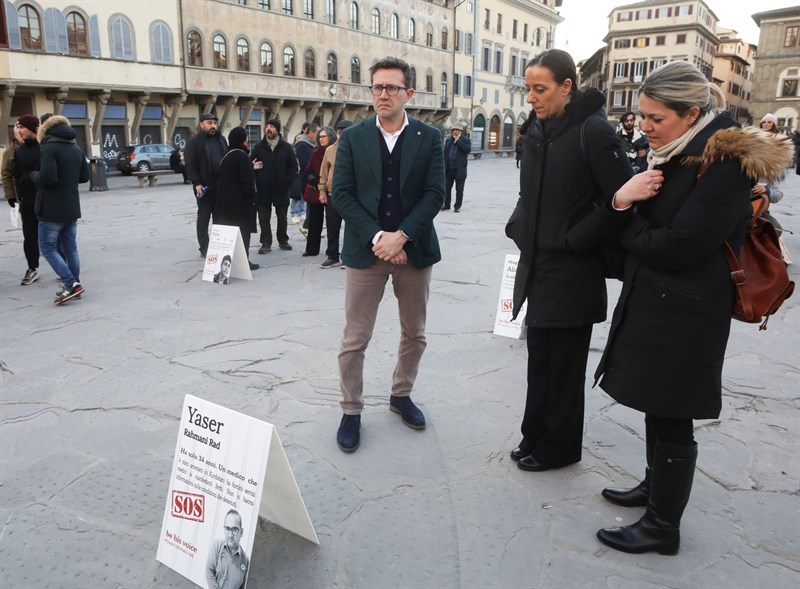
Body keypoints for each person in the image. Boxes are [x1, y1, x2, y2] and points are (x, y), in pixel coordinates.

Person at [594, 61, 793, 556]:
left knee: (674, 412)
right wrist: (631, 201)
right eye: (642, 115)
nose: (644, 126)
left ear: (691, 114)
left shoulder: (724, 164)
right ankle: (653, 487)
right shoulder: (679, 149)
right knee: (656, 403)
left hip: (688, 310)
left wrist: (625, 216)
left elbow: (680, 244)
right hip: (661, 300)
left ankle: (663, 526)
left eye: (655, 118)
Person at [504, 49, 633, 472]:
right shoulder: (538, 129)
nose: (531, 97)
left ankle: (559, 447)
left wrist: (573, 238)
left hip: (574, 269)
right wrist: (518, 225)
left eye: (539, 89)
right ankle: (534, 434)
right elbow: (528, 193)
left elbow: (622, 200)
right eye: (528, 89)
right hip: (537, 264)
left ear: (566, 86)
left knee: (564, 366)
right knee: (540, 357)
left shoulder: (594, 131)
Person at [331, 56, 445, 453]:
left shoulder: (429, 137)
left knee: (415, 332)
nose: (383, 94)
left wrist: (403, 237)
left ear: (408, 93)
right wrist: (381, 237)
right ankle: (351, 410)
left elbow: (435, 193)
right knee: (354, 338)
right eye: (377, 87)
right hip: (366, 251)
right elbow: (342, 194)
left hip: (415, 251)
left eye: (391, 87)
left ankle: (401, 394)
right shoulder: (354, 137)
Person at [31, 115, 90, 304]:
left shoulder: (49, 148)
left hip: (51, 208)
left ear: (45, 130)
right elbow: (84, 177)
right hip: (71, 206)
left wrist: (34, 175)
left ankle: (71, 284)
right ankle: (74, 284)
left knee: (47, 248)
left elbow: (48, 178)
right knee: (70, 248)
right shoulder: (76, 148)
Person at [185, 113, 227, 258]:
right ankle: (204, 247)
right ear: (202, 124)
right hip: (204, 187)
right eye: (209, 123)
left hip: (220, 186)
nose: (213, 126)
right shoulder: (194, 142)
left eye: (214, 123)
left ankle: (218, 245)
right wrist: (196, 183)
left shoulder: (221, 139)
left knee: (219, 218)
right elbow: (190, 165)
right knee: (204, 217)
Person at [251, 119, 297, 253]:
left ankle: (283, 241)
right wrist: (254, 169)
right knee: (263, 218)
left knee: (282, 216)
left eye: (271, 126)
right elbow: (251, 163)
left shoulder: (286, 147)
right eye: (266, 126)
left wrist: (287, 182)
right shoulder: (259, 147)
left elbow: (293, 167)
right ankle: (265, 243)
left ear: (277, 129)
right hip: (263, 188)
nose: (268, 129)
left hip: (281, 187)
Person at [216, 127, 259, 271]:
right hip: (240, 203)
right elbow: (247, 182)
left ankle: (230, 262)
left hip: (225, 202)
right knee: (243, 233)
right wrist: (253, 198)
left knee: (230, 234)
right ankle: (243, 262)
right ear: (242, 140)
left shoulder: (226, 155)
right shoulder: (241, 156)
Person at [318, 119, 353, 268]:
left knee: (352, 228)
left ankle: (349, 257)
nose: (342, 134)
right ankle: (332, 256)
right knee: (332, 227)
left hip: (352, 196)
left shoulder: (358, 149)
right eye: (340, 131)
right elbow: (323, 173)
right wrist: (322, 191)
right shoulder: (330, 150)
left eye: (345, 131)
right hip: (333, 194)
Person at [12, 115, 42, 286]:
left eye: (22, 127)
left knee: (53, 236)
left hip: (44, 199)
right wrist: (20, 195)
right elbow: (16, 174)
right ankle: (32, 268)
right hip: (27, 201)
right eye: (18, 127)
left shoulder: (44, 148)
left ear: (32, 128)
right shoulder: (20, 150)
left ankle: (63, 267)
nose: (19, 130)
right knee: (29, 236)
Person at [302, 126, 337, 258]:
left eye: (324, 136)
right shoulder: (316, 153)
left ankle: (332, 251)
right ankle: (312, 249)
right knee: (314, 221)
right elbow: (308, 171)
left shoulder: (336, 151)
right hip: (317, 189)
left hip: (332, 190)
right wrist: (316, 182)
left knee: (332, 223)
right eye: (320, 137)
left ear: (331, 137)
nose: (321, 139)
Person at [206, 509, 249, 589]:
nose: (230, 535)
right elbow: (209, 572)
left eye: (234, 530)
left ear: (241, 532)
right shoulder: (217, 545)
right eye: (227, 529)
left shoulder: (245, 561)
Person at [294, 123, 318, 235]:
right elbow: (305, 164)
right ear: (311, 133)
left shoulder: (312, 144)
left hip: (312, 179)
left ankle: (310, 228)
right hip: (308, 180)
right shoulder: (302, 144)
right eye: (317, 133)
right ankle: (306, 227)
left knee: (312, 206)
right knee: (312, 205)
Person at [442, 122, 471, 212]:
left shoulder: (466, 140)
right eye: (454, 130)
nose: (455, 131)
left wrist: (458, 141)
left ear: (461, 131)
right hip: (449, 169)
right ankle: (446, 204)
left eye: (457, 130)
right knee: (447, 188)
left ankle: (457, 206)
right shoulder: (449, 139)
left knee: (459, 189)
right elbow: (445, 152)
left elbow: (467, 150)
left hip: (459, 169)